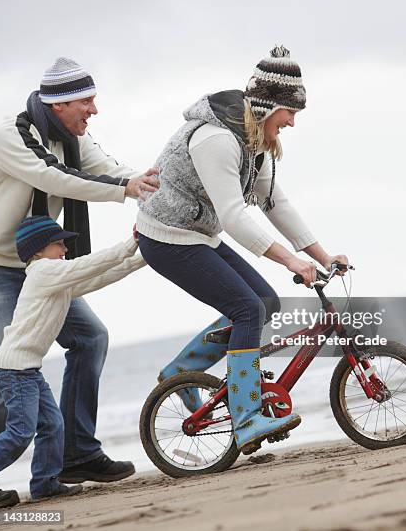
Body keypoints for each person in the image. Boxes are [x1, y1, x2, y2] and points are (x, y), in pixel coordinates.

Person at [137, 46, 349, 455]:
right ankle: (248, 416)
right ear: (269, 107)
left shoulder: (253, 141)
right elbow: (234, 217)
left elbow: (274, 204)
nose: (292, 123)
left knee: (265, 301)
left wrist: (322, 257)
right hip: (167, 238)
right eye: (291, 113)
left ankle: (183, 371)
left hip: (196, 234)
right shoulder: (216, 138)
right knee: (248, 309)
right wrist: (291, 260)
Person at [0, 58, 159, 483]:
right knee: (5, 375)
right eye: (86, 101)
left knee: (90, 339)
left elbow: (113, 169)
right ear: (60, 104)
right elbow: (55, 178)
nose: (94, 110)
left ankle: (77, 454)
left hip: (42, 267)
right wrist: (126, 190)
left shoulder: (73, 138)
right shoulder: (10, 136)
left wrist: (150, 184)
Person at [0, 216, 145, 506]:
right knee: (19, 433)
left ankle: (45, 483)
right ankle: (43, 481)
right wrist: (132, 243)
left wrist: (143, 259)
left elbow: (98, 277)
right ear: (38, 250)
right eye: (59, 243)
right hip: (14, 370)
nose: (65, 249)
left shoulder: (56, 280)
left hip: (27, 369)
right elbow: (87, 265)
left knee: (52, 424)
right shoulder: (42, 272)